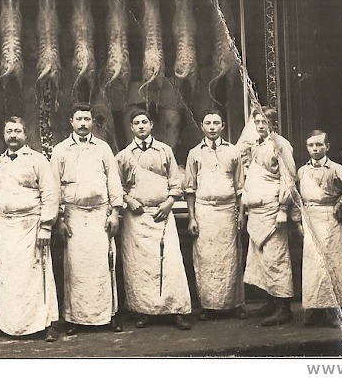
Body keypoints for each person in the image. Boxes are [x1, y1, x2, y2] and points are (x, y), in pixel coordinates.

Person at [0, 116, 60, 342]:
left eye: (17, 131)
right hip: (5, 227)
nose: (13, 135)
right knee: (7, 275)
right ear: (4, 135)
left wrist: (46, 226)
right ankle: (8, 324)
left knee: (37, 274)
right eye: (9, 131)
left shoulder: (38, 160)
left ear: (26, 135)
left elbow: (50, 194)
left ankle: (47, 323)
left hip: (32, 226)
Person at [51, 103, 125, 335]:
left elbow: (113, 180)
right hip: (74, 216)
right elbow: (54, 186)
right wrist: (59, 219)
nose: (83, 124)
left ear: (93, 122)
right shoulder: (61, 150)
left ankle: (109, 315)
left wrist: (115, 213)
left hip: (100, 216)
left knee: (105, 265)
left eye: (87, 119)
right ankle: (74, 319)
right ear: (71, 122)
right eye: (79, 119)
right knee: (74, 267)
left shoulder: (103, 148)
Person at [116, 109, 193, 331]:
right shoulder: (123, 156)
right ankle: (144, 311)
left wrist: (168, 204)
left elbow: (176, 183)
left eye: (144, 122)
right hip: (136, 218)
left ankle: (176, 310)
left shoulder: (165, 151)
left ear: (151, 125)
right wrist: (128, 200)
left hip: (162, 214)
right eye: (136, 123)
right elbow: (115, 186)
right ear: (131, 128)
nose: (141, 126)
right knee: (140, 265)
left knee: (171, 263)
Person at [184, 109, 247, 321]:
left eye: (216, 123)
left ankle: (235, 304)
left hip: (228, 210)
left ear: (223, 126)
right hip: (204, 211)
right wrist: (192, 217)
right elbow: (189, 188)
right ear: (202, 126)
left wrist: (241, 214)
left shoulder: (233, 152)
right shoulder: (195, 153)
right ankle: (207, 305)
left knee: (231, 257)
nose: (212, 127)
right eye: (208, 123)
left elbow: (240, 187)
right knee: (205, 258)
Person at [297, 130, 342, 327]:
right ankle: (313, 310)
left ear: (327, 147)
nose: (315, 149)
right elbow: (297, 198)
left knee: (331, 263)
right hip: (310, 219)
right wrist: (298, 221)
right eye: (311, 145)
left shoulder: (335, 168)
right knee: (312, 267)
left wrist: (340, 203)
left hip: (329, 219)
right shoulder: (302, 171)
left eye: (319, 145)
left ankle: (337, 311)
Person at [241, 106, 300, 326]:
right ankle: (271, 302)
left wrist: (283, 209)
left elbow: (289, 178)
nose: (260, 126)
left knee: (276, 258)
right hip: (257, 211)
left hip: (274, 211)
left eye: (264, 122)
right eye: (257, 122)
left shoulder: (281, 145)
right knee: (262, 259)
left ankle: (284, 308)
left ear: (273, 123)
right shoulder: (257, 144)